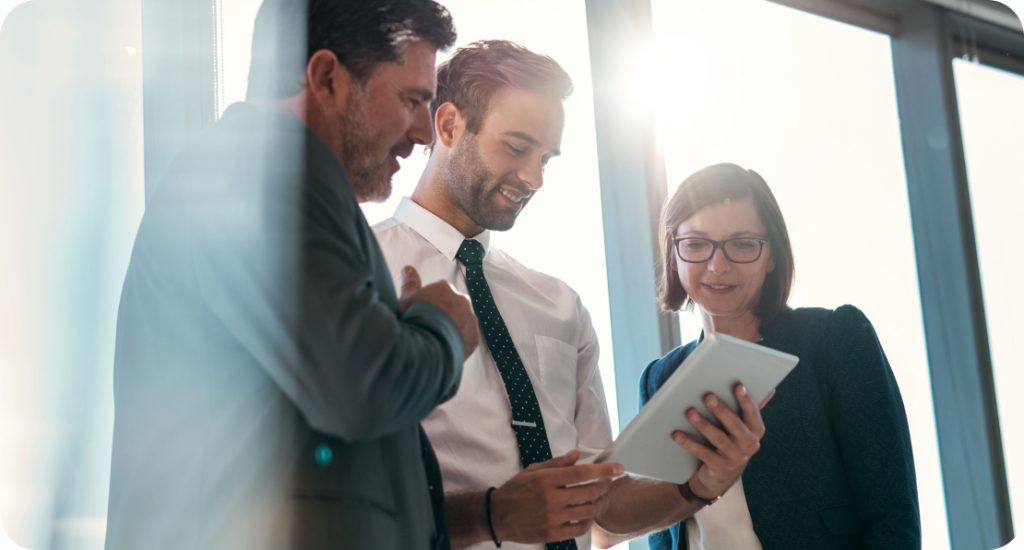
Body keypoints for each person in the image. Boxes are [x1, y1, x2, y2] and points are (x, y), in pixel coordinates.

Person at [105, 1, 479, 549]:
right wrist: (440, 327)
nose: (424, 132)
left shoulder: (267, 177)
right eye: (411, 99)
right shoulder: (255, 171)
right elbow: (361, 385)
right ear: (327, 77)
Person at [374, 40, 766, 550]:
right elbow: (338, 495)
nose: (534, 178)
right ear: (448, 126)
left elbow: (604, 505)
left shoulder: (559, 305)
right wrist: (492, 516)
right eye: (516, 148)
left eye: (546, 158)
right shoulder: (362, 275)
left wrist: (700, 485)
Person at [638, 162, 921, 549]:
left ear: (771, 255)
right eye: (697, 244)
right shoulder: (659, 378)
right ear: (673, 252)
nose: (717, 265)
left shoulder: (834, 340)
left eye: (741, 244)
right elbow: (664, 528)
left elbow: (893, 519)